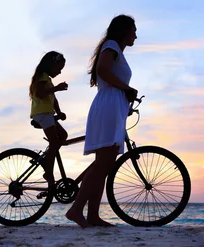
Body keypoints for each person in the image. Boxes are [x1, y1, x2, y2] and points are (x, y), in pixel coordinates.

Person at [65, 14, 138, 228]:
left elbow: (107, 73)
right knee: (102, 164)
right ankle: (76, 210)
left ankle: (93, 215)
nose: (136, 34)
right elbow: (102, 70)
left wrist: (125, 96)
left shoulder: (114, 48)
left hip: (112, 106)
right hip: (108, 107)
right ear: (125, 30)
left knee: (104, 165)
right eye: (134, 30)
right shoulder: (112, 45)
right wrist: (126, 88)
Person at [29, 51, 69, 187]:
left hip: (48, 113)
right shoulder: (42, 76)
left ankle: (48, 157)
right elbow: (40, 93)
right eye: (59, 68)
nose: (59, 72)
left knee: (63, 135)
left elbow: (53, 99)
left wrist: (59, 112)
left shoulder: (48, 79)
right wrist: (56, 88)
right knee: (54, 141)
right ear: (51, 65)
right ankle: (48, 170)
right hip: (42, 113)